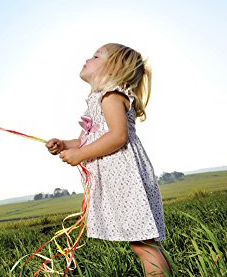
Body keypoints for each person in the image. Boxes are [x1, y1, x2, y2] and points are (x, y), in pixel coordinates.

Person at [46, 43, 174, 276]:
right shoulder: (100, 100)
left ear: (113, 68)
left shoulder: (111, 96)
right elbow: (89, 140)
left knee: (144, 244)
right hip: (123, 178)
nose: (88, 58)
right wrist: (65, 145)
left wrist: (80, 155)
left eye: (96, 56)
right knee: (143, 243)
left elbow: (118, 136)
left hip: (127, 178)